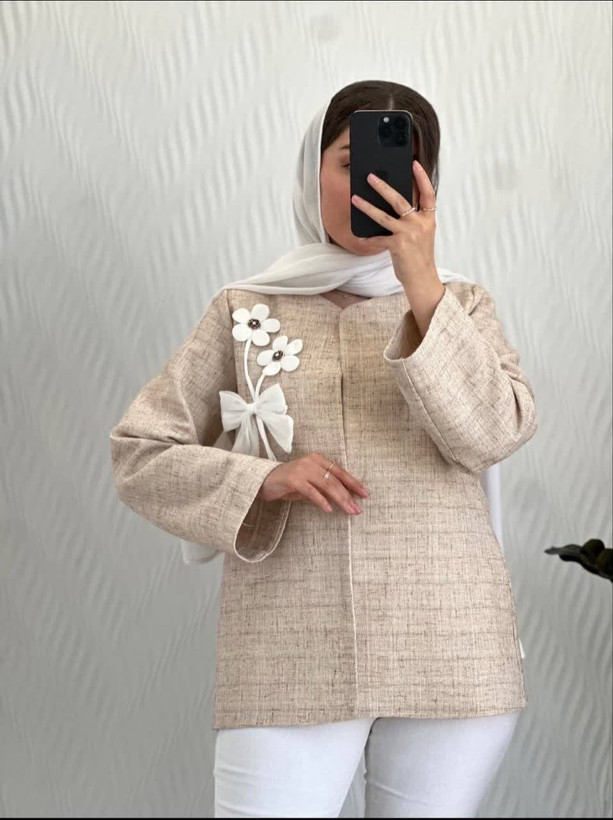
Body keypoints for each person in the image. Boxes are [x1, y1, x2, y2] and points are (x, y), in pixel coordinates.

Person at [109, 80, 538, 817]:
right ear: (312, 170)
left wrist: (420, 284)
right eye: (350, 161)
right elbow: (140, 453)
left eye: (401, 164)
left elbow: (493, 433)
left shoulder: (460, 303)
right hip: (288, 649)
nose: (375, 183)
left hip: (450, 643)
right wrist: (261, 479)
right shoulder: (247, 307)